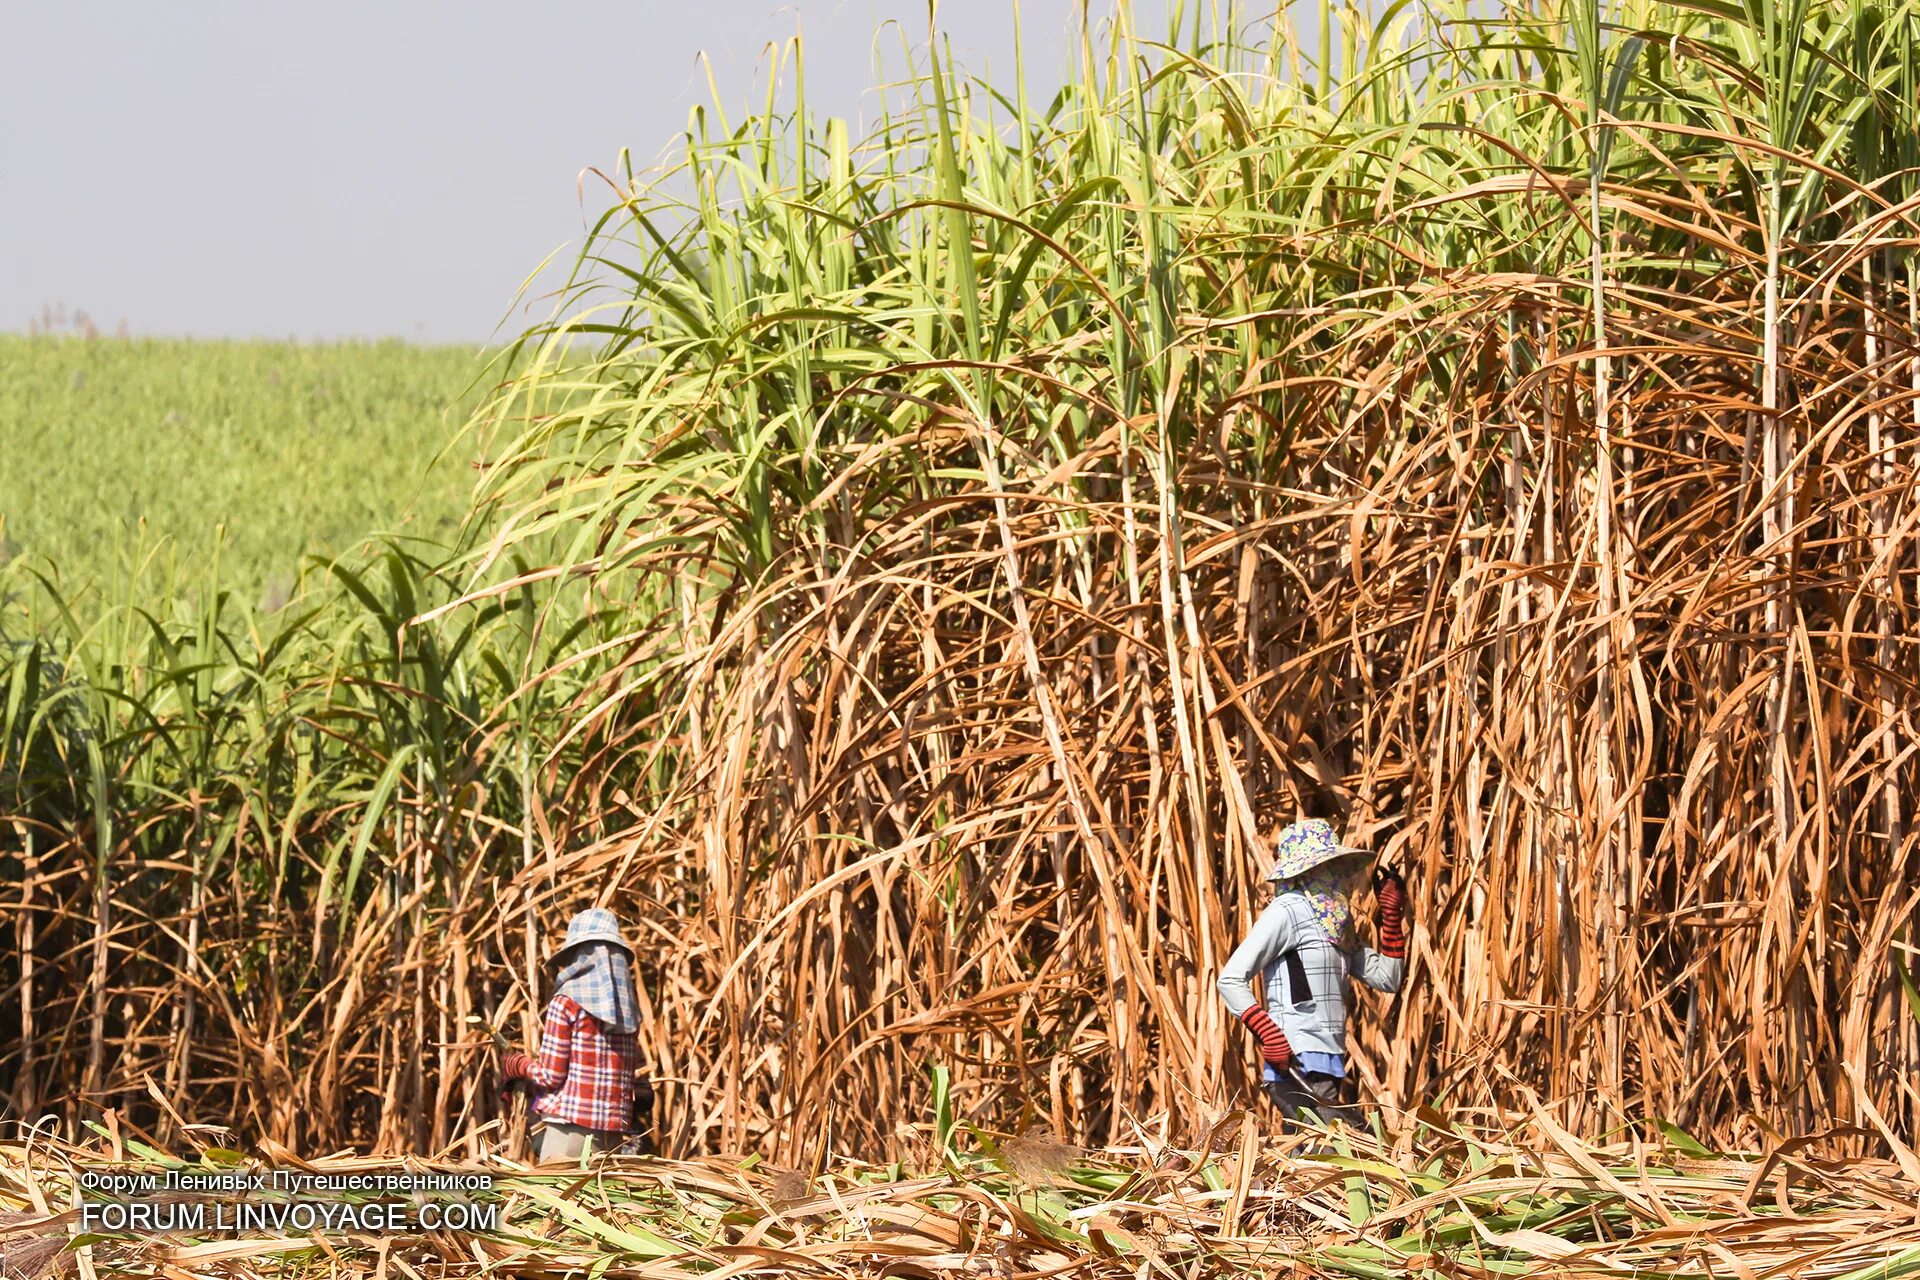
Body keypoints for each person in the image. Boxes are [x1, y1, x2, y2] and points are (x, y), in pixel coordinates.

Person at [1216, 818, 1409, 1128]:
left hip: (1328, 1055)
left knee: (1312, 1155)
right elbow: (1230, 978)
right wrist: (1268, 1033)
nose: (1332, 876)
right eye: (1324, 867)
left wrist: (1390, 918)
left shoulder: (1335, 924)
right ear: (1304, 872)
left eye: (1333, 867)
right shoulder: (1287, 910)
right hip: (1296, 1056)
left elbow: (1387, 978)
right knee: (1326, 1150)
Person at [502, 907, 645, 1163]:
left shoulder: (566, 1002)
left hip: (570, 1129)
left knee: (553, 1200)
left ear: (579, 955)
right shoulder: (629, 1012)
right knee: (600, 1202)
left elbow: (550, 1076)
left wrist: (517, 1065)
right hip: (611, 1133)